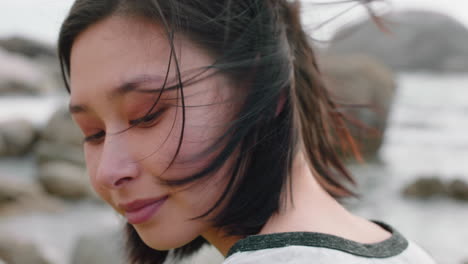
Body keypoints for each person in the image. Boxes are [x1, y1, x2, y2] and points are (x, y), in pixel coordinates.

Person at [58, 0, 437, 263]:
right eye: (93, 133)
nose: (108, 171)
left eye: (147, 115)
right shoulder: (409, 253)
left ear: (261, 87)